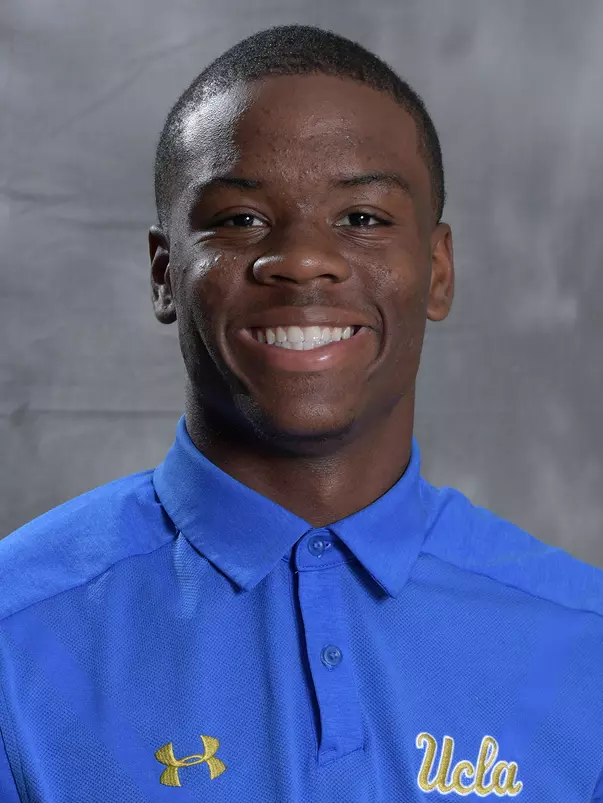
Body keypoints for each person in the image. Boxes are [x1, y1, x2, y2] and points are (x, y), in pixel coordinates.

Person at [1, 23, 602, 803]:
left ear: (437, 270)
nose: (302, 258)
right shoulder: (17, 634)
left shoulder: (581, 638)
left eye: (362, 218)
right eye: (240, 219)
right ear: (163, 274)